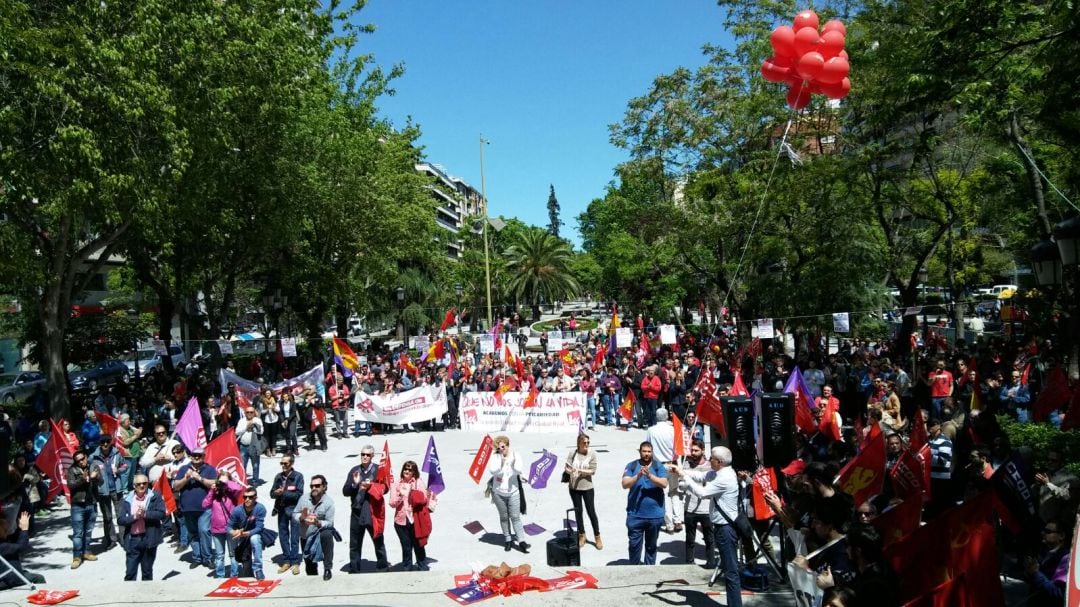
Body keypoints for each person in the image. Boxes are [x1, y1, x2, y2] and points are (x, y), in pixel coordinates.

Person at [669, 446, 741, 607]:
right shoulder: (719, 472)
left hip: (725, 528)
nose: (709, 460)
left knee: (731, 572)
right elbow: (701, 476)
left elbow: (702, 492)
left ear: (720, 462)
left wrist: (683, 477)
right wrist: (681, 470)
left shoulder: (725, 478)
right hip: (722, 527)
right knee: (729, 571)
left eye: (712, 459)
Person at [342, 444, 389, 572]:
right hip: (357, 511)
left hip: (372, 510)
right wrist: (354, 484)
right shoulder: (354, 471)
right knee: (355, 543)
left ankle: (383, 565)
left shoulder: (378, 470)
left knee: (377, 539)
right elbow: (345, 491)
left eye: (368, 455)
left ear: (372, 456)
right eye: (363, 454)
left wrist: (371, 487)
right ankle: (355, 568)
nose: (364, 457)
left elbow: (385, 488)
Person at [621, 441, 668, 565]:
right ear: (640, 451)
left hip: (655, 515)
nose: (647, 454)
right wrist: (638, 475)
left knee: (651, 547)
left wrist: (650, 476)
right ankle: (634, 569)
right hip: (635, 515)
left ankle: (649, 571)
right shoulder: (631, 466)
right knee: (634, 546)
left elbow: (664, 483)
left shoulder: (658, 466)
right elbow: (625, 484)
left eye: (649, 451)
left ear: (652, 452)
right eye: (644, 451)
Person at [173, 447, 217, 569]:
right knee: (192, 533)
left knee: (204, 531)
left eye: (199, 455)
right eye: (194, 455)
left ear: (203, 456)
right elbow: (176, 486)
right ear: (190, 456)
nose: (196, 457)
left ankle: (207, 558)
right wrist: (186, 478)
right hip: (187, 508)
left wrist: (199, 478)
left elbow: (214, 483)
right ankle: (197, 557)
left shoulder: (209, 469)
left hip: (205, 508)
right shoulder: (184, 469)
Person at [388, 460, 436, 570]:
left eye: (410, 470)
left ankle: (422, 567)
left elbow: (423, 499)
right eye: (405, 469)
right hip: (401, 521)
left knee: (419, 546)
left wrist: (411, 492)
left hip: (416, 520)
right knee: (406, 548)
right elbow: (392, 503)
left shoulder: (418, 482)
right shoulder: (396, 483)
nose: (407, 471)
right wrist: (400, 495)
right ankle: (407, 570)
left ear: (414, 472)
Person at [117, 473, 166, 581]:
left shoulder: (154, 496)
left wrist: (145, 514)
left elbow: (162, 514)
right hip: (133, 540)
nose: (142, 486)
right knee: (130, 572)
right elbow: (120, 520)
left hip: (148, 539)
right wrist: (135, 516)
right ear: (134, 486)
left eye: (144, 483)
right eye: (139, 484)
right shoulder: (127, 499)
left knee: (147, 572)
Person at [487, 435, 529, 553]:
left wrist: (512, 464)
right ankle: (508, 539)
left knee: (515, 517)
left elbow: (519, 470)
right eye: (499, 447)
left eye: (503, 446)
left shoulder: (516, 455)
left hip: (513, 492)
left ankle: (521, 541)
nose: (501, 449)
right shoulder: (495, 457)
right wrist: (501, 461)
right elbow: (493, 471)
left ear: (507, 445)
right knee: (504, 517)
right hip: (498, 492)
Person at [645, 408, 682, 533]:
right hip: (672, 464)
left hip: (659, 465)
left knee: (664, 493)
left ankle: (669, 523)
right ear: (666, 417)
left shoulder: (651, 431)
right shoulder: (672, 430)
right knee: (674, 492)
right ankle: (677, 520)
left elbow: (648, 447)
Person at [203, 471, 243, 578]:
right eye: (220, 480)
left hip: (231, 528)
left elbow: (239, 489)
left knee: (233, 553)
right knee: (219, 555)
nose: (222, 483)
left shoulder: (232, 493)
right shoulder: (215, 494)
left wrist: (227, 483)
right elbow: (205, 504)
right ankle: (220, 576)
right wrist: (212, 490)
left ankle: (234, 575)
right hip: (217, 528)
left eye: (225, 480)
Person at [681, 439, 715, 567]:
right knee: (690, 538)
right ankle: (689, 562)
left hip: (706, 509)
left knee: (709, 538)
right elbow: (681, 485)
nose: (693, 453)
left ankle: (711, 562)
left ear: (703, 451)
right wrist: (685, 485)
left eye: (696, 450)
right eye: (692, 450)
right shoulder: (686, 465)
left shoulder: (710, 466)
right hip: (690, 507)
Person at [295, 474, 335, 580]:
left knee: (327, 534)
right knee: (309, 564)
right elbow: (295, 513)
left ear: (324, 486)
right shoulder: (304, 498)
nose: (314, 488)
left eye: (317, 486)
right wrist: (302, 518)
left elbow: (330, 523)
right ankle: (312, 579)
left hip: (319, 532)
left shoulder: (328, 503)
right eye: (312, 486)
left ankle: (327, 569)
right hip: (306, 534)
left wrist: (318, 522)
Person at [564, 434, 601, 549]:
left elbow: (593, 471)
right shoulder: (572, 453)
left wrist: (579, 470)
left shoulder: (592, 454)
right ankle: (581, 535)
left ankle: (597, 536)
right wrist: (571, 472)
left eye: (588, 442)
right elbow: (566, 467)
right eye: (584, 443)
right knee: (578, 512)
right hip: (574, 488)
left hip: (587, 488)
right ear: (579, 443)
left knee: (591, 512)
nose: (586, 445)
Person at [269, 454, 304, 575]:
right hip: (281, 509)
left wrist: (283, 493)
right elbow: (271, 494)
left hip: (294, 509)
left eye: (286, 463)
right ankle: (286, 560)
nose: (283, 466)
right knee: (283, 535)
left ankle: (295, 562)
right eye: (281, 463)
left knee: (294, 536)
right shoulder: (278, 477)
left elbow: (299, 494)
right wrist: (276, 493)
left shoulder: (298, 476)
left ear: (291, 464)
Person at [1024, 518, 1071, 607]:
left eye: (1048, 531)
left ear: (1061, 536)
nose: (1043, 533)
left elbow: (1058, 592)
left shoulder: (1066, 558)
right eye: (1043, 530)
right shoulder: (1044, 552)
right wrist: (1029, 572)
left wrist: (1036, 573)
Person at [67, 448, 101, 569]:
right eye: (78, 461)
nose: (81, 462)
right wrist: (83, 479)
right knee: (78, 533)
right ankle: (77, 557)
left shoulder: (94, 466)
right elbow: (70, 485)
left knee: (88, 531)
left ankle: (86, 552)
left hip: (91, 503)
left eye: (83, 459)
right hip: (78, 505)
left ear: (86, 457)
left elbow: (100, 482)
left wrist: (94, 477)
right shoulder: (72, 470)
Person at [89, 435, 124, 550]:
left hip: (116, 489)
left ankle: (124, 539)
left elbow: (125, 465)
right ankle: (111, 539)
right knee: (107, 517)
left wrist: (118, 470)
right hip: (103, 490)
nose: (105, 444)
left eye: (107, 441)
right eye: (102, 442)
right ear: (99, 443)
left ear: (111, 442)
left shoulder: (116, 453)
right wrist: (93, 476)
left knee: (121, 515)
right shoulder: (93, 457)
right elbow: (89, 471)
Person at [227, 487, 267, 580]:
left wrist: (244, 533)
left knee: (255, 539)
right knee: (245, 559)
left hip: (254, 533)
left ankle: (258, 569)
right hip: (241, 535)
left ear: (255, 498)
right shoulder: (237, 510)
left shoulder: (260, 508)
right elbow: (228, 526)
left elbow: (259, 528)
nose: (247, 499)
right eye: (245, 497)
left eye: (250, 497)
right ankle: (247, 573)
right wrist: (233, 532)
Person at [0, 510, 45, 588]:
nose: (7, 530)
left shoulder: (3, 541)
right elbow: (21, 547)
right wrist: (24, 529)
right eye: (5, 529)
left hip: (11, 574)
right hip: (9, 579)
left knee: (28, 574)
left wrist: (21, 527)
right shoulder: (2, 546)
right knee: (39, 578)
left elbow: (17, 539)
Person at [236, 406, 264, 485]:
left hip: (254, 447)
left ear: (254, 413)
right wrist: (246, 427)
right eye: (247, 412)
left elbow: (261, 431)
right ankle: (243, 481)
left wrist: (254, 428)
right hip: (243, 446)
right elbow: (237, 432)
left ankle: (255, 481)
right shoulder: (241, 421)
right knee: (243, 465)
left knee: (255, 465)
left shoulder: (257, 420)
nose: (249, 414)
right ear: (245, 413)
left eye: (251, 412)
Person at [116, 414, 142, 491]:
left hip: (134, 455)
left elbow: (137, 432)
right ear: (122, 423)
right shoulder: (120, 430)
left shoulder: (130, 428)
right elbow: (125, 442)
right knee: (126, 473)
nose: (130, 422)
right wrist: (135, 436)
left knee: (132, 472)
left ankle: (130, 487)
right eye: (128, 421)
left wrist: (138, 431)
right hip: (127, 455)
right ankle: (124, 489)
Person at [278, 389, 300, 457]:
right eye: (284, 397)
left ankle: (295, 449)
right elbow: (281, 413)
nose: (285, 398)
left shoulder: (292, 403)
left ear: (288, 397)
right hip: (285, 420)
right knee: (287, 435)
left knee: (292, 434)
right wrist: (282, 421)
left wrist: (288, 420)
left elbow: (293, 413)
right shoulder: (281, 404)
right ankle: (289, 449)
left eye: (286, 397)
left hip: (292, 420)